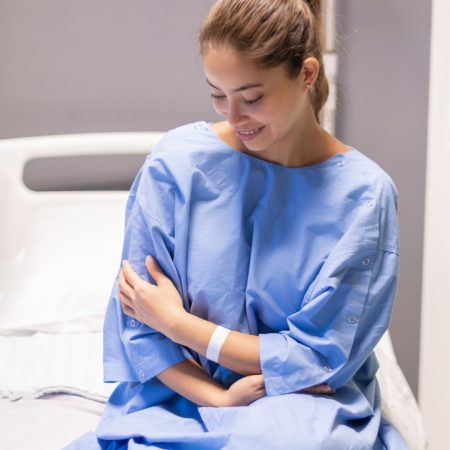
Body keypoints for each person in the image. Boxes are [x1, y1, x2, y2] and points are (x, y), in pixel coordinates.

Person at [64, 0, 409, 448]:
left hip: (300, 405)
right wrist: (219, 398)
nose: (232, 116)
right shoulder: (177, 164)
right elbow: (141, 327)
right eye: (216, 94)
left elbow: (318, 361)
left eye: (251, 98)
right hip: (178, 394)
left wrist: (180, 324)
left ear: (306, 75)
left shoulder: (365, 196)